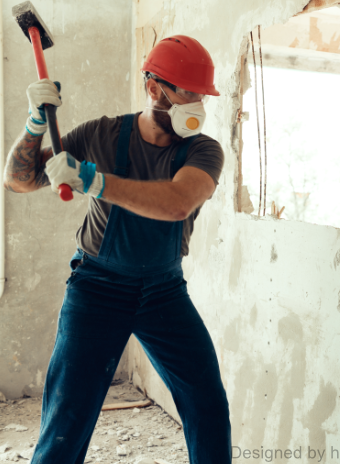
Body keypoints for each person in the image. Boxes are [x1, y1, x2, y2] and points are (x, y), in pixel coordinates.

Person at [3, 35, 231, 464]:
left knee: (207, 404)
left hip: (164, 292)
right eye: (187, 92)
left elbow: (179, 201)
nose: (197, 104)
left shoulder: (203, 150)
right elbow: (19, 179)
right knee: (66, 422)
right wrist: (34, 124)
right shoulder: (102, 135)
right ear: (153, 88)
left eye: (202, 95)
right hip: (96, 289)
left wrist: (96, 182)